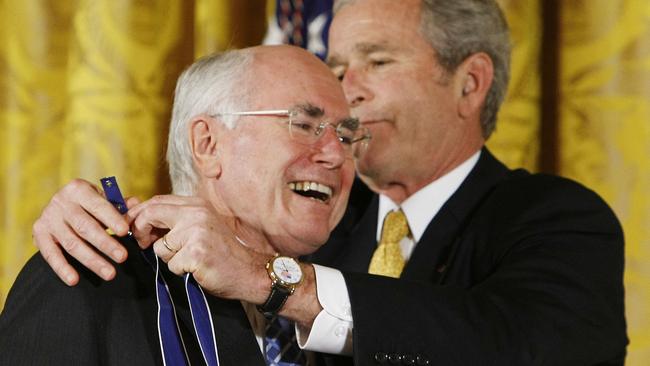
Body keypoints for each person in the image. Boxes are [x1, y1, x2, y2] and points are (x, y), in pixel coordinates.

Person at [25, 0, 629, 365]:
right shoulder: (299, 227)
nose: (350, 92)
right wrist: (89, 225)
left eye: (378, 61)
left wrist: (275, 282)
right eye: (338, 68)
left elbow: (519, 349)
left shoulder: (556, 220)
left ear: (470, 83)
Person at [0, 45, 369, 365]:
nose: (337, 155)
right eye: (304, 124)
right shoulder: (89, 281)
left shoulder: (349, 292)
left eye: (346, 135)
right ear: (207, 144)